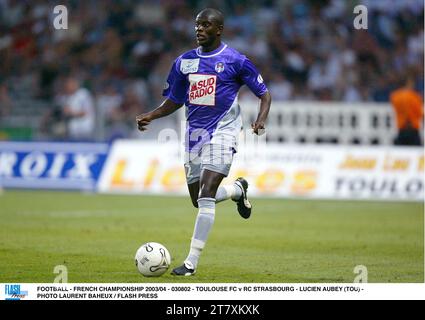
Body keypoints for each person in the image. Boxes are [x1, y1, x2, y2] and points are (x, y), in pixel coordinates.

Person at [136, 8, 272, 276]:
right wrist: (151, 114)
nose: (199, 29)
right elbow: (175, 100)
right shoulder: (184, 62)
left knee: (207, 192)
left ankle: (191, 263)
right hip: (194, 137)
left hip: (224, 132)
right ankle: (237, 190)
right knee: (198, 200)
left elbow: (264, 95)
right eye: (197, 25)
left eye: (206, 25)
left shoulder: (236, 60)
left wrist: (260, 120)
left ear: (219, 29)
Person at [390, 76, 423, 146]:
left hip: (401, 128)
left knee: (401, 154)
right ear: (409, 83)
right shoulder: (414, 96)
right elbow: (419, 113)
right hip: (413, 129)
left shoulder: (395, 96)